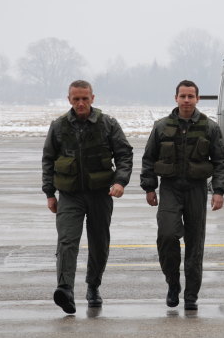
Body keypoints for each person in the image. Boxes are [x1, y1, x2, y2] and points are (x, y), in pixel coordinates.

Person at [42, 80, 133, 314]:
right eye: (76, 99)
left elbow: (124, 154)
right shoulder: (59, 126)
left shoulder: (107, 124)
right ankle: (65, 290)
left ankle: (93, 286)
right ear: (69, 100)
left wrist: (120, 182)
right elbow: (48, 160)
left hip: (100, 194)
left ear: (93, 98)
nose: (81, 103)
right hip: (70, 195)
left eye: (85, 98)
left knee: (99, 243)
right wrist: (50, 193)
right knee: (66, 241)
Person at [140, 80, 224, 311]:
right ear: (176, 98)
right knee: (167, 236)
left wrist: (218, 190)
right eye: (183, 96)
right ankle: (173, 284)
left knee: (195, 243)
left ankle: (191, 295)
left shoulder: (209, 127)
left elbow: (221, 161)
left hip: (196, 189)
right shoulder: (161, 127)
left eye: (191, 96)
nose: (187, 100)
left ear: (198, 99)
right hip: (169, 188)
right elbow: (149, 159)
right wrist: (149, 187)